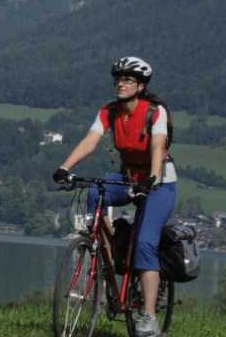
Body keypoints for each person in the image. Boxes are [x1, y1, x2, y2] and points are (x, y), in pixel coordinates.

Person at [51, 56, 177, 337]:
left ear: (141, 86)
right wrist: (64, 167)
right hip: (128, 177)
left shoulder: (154, 112)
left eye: (128, 79)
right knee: (96, 190)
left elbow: (158, 146)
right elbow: (90, 141)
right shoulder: (109, 112)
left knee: (145, 243)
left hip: (159, 183)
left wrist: (151, 179)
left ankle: (148, 317)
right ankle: (104, 255)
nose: (121, 83)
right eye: (118, 78)